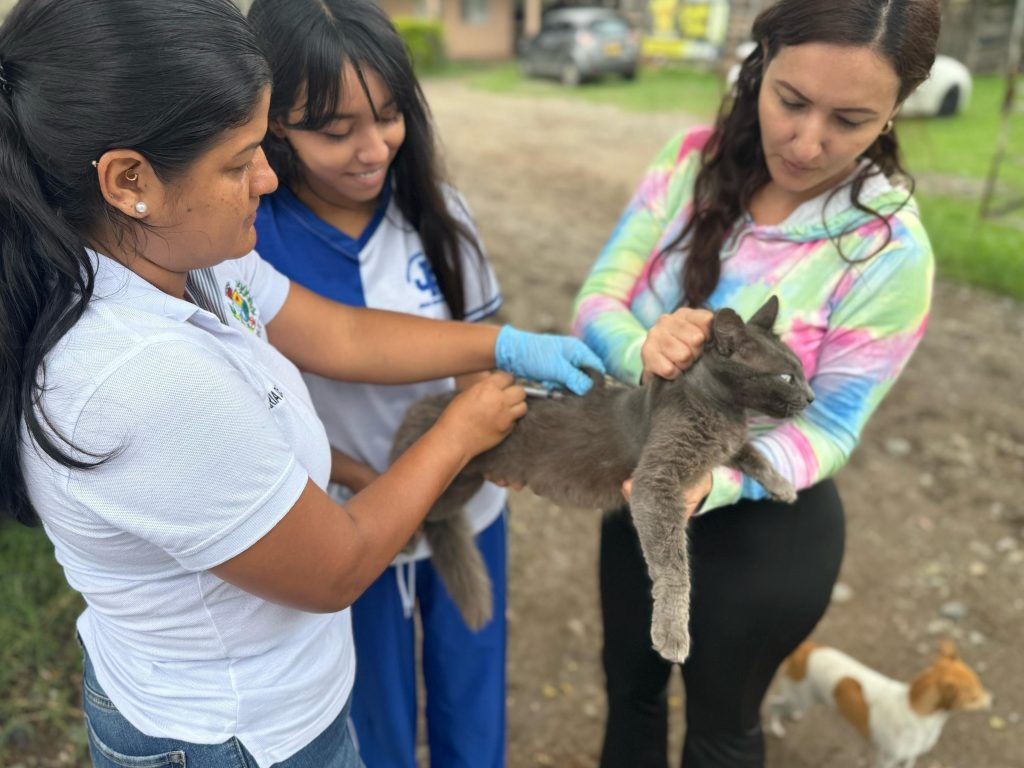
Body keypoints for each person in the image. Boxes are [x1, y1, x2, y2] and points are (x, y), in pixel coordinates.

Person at [0, 1, 604, 766]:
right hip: (235, 738)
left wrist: (507, 343)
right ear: (129, 179)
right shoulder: (141, 378)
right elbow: (338, 566)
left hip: (267, 702)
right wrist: (459, 431)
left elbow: (341, 333)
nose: (268, 175)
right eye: (240, 158)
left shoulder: (186, 254)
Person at [571, 1, 940, 766]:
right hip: (646, 480)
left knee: (720, 734)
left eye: (850, 119)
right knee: (629, 694)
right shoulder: (689, 160)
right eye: (791, 101)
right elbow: (596, 302)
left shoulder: (890, 250)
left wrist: (714, 482)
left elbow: (832, 426)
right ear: (761, 59)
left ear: (896, 110)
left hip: (766, 529)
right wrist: (644, 346)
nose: (807, 143)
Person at [245, 1, 510, 765]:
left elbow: (476, 352)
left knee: (472, 693)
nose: (372, 149)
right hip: (346, 519)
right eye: (334, 130)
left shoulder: (437, 214)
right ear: (270, 127)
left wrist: (456, 471)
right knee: (373, 717)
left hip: (467, 506)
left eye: (390, 116)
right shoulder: (247, 239)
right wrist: (378, 486)